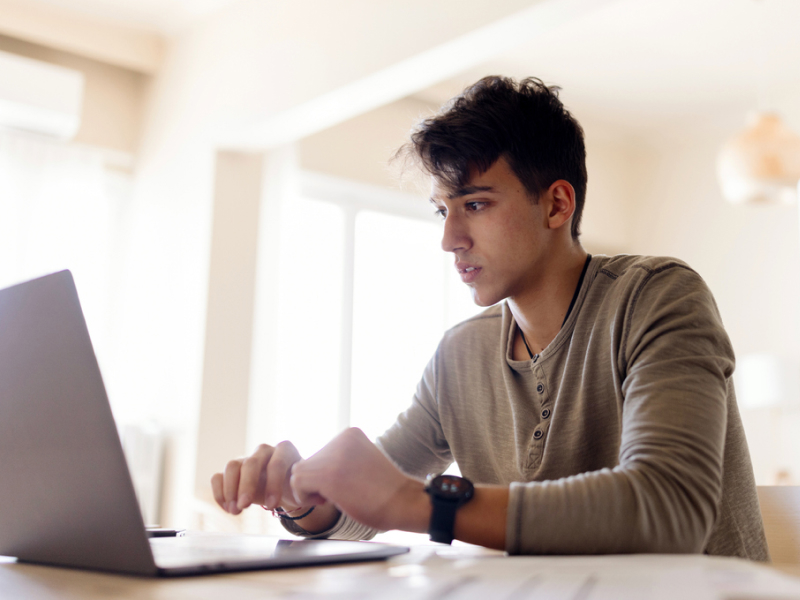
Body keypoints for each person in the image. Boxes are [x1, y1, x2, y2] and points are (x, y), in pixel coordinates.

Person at [211, 76, 768, 559]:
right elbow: (368, 509)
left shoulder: (658, 297)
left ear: (556, 204)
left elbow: (668, 509)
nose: (450, 239)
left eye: (475, 205)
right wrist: (305, 499)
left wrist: (418, 504)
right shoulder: (460, 356)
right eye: (442, 210)